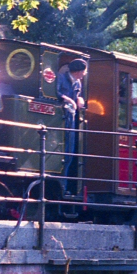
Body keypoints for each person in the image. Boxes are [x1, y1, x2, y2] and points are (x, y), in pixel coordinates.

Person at [56, 58, 87, 194]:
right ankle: (60, 185)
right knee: (60, 153)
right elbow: (56, 93)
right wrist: (68, 99)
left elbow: (78, 96)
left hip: (71, 119)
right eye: (84, 71)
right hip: (60, 118)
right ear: (79, 71)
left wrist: (79, 99)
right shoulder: (61, 78)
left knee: (69, 153)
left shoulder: (78, 83)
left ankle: (63, 185)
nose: (84, 74)